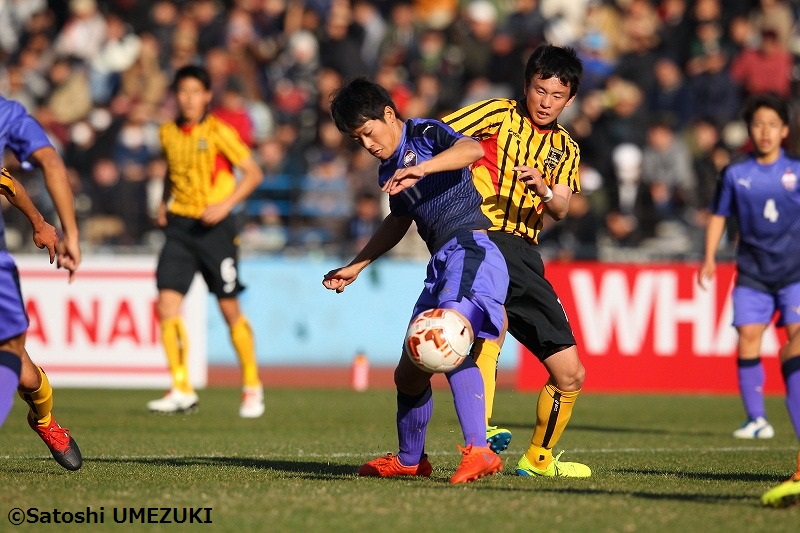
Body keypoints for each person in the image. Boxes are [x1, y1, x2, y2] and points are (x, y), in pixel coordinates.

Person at [323, 77, 508, 483]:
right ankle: (410, 460)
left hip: (470, 250)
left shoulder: (425, 133)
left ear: (389, 114)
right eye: (358, 140)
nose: (368, 144)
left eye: (368, 132)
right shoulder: (389, 171)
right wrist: (358, 264)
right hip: (440, 263)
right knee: (409, 371)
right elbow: (400, 219)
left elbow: (472, 148)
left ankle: (480, 450)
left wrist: (421, 167)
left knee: (450, 340)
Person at [443, 43, 591, 477]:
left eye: (556, 95)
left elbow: (561, 206)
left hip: (525, 253)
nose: (546, 102)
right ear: (526, 86)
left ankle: (536, 459)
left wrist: (544, 189)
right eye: (539, 90)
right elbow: (437, 133)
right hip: (483, 236)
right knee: (489, 328)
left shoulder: (565, 148)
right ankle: (481, 430)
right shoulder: (497, 114)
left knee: (569, 374)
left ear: (570, 99)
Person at [695, 94, 800, 506]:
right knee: (750, 337)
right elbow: (719, 215)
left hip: (794, 273)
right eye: (758, 124)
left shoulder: (796, 170)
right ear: (750, 129)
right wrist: (707, 257)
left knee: (795, 343)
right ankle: (757, 419)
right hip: (753, 273)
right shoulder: (735, 173)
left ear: (785, 130)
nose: (765, 131)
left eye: (773, 124)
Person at [147, 65, 265, 418]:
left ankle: (252, 386)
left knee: (229, 309)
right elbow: (172, 169)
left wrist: (225, 205)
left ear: (206, 96)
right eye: (182, 92)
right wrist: (163, 201)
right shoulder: (167, 132)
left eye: (195, 92)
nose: (188, 98)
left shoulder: (219, 132)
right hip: (180, 229)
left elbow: (254, 173)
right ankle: (181, 387)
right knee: (166, 305)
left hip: (216, 230)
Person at [0, 94, 83, 471]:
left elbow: (9, 184)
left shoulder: (7, 114)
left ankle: (46, 421)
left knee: (25, 373)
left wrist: (40, 224)